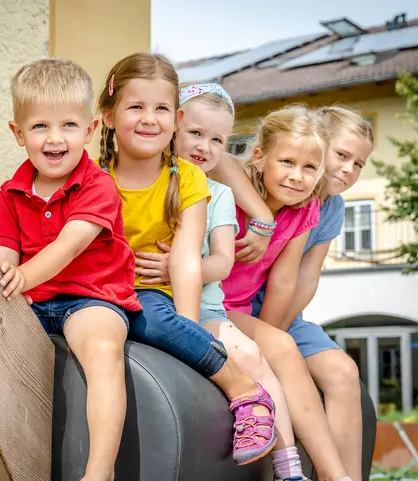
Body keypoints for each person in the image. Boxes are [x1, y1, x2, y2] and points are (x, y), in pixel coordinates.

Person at [0, 58, 141, 481]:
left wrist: (22, 277)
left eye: (68, 126)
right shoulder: (11, 192)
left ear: (91, 130)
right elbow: (3, 249)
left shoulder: (99, 186)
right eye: (40, 126)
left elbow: (70, 244)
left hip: (90, 296)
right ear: (18, 133)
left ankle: (100, 472)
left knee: (101, 347)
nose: (55, 138)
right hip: (33, 303)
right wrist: (1, 276)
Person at [96, 52, 276, 465]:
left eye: (160, 108)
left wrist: (189, 331)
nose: (148, 118)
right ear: (107, 116)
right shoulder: (93, 175)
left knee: (157, 320)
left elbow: (186, 261)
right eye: (136, 107)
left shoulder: (187, 178)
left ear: (173, 119)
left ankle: (245, 390)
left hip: (149, 293)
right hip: (98, 292)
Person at [137, 82, 309, 480]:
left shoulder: (218, 194)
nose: (205, 147)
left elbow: (222, 263)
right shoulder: (147, 180)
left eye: (218, 140)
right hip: (147, 303)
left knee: (250, 355)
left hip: (205, 308)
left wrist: (175, 268)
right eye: (196, 133)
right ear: (174, 126)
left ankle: (288, 465)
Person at [248, 105, 374, 481]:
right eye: (341, 156)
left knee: (343, 371)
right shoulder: (284, 191)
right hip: (243, 302)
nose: (349, 170)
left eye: (359, 164)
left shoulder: (330, 207)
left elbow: (303, 280)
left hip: (284, 312)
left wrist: (276, 329)